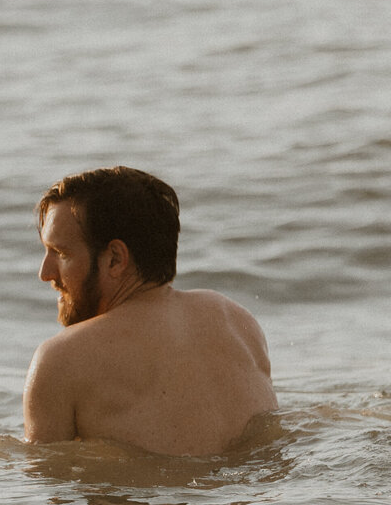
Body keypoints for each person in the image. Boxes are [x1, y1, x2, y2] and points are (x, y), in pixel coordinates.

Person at [23, 167, 276, 457]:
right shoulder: (237, 321)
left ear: (115, 259)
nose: (45, 273)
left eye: (61, 254)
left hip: (144, 500)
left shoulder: (62, 360)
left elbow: (46, 482)